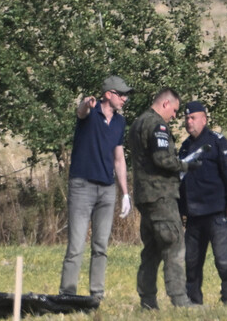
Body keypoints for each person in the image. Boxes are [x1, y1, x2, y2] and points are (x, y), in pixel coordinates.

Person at [59, 75, 132, 300]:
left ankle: (96, 294)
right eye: (121, 95)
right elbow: (81, 112)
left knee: (100, 246)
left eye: (125, 95)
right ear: (108, 94)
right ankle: (67, 294)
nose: (125, 99)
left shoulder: (120, 122)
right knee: (76, 245)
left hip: (107, 189)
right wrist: (85, 102)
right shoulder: (90, 113)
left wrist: (125, 193)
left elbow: (118, 158)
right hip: (82, 186)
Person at [127, 88, 200, 309]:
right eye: (175, 110)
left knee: (152, 250)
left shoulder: (137, 123)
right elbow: (162, 159)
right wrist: (187, 166)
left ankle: (147, 301)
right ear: (166, 104)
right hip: (161, 195)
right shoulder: (157, 125)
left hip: (145, 196)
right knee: (174, 245)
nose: (175, 116)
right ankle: (180, 300)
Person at [178, 101, 227, 305]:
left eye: (193, 117)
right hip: (194, 215)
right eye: (186, 118)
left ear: (204, 119)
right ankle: (193, 300)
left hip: (217, 212)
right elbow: (180, 180)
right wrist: (180, 210)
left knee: (224, 260)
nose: (189, 121)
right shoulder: (185, 146)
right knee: (192, 262)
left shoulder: (218, 142)